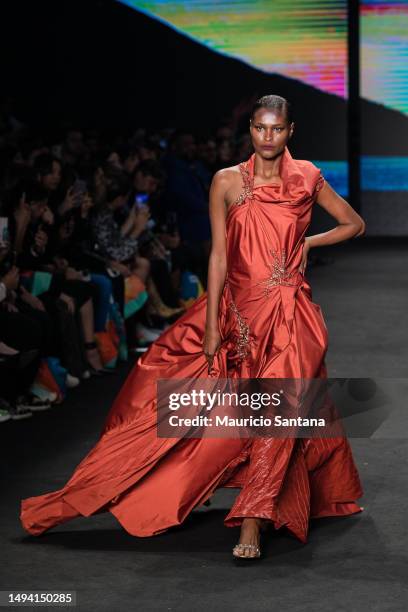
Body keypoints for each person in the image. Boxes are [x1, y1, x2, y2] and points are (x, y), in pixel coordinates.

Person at [20, 95, 365, 563]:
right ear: (250, 130)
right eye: (260, 129)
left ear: (290, 130)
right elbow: (219, 255)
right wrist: (209, 325)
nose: (268, 137)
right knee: (212, 410)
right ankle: (179, 481)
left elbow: (354, 223)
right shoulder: (225, 181)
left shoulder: (307, 176)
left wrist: (309, 241)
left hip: (289, 310)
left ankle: (252, 518)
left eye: (276, 129)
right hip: (238, 313)